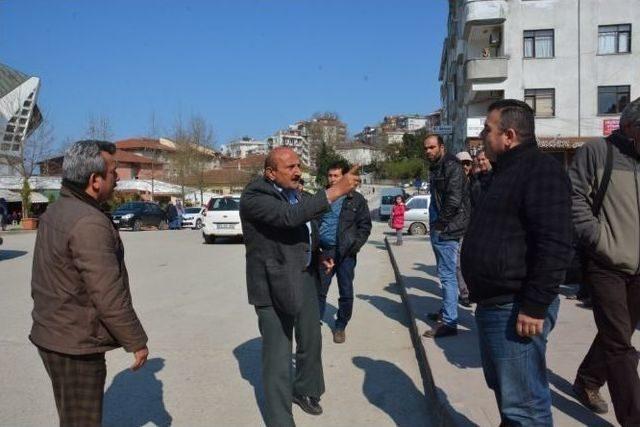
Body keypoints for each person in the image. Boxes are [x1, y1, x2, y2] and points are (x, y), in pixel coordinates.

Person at [461, 100, 573, 426]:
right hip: (495, 304)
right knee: (507, 395)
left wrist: (535, 305)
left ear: (508, 135)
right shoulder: (504, 173)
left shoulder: (541, 170)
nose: (482, 136)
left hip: (516, 308)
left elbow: (555, 243)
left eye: (487, 130)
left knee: (525, 406)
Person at [30, 140, 149, 427]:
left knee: (72, 418)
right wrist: (137, 341)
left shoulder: (58, 209)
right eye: (113, 171)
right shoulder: (88, 222)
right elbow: (108, 293)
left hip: (53, 333)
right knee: (82, 422)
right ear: (95, 181)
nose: (118, 178)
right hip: (74, 343)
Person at [239, 147, 360, 427]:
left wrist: (320, 255)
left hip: (305, 276)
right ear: (270, 173)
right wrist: (335, 191)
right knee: (279, 358)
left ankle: (306, 390)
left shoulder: (298, 194)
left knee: (311, 339)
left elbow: (306, 230)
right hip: (272, 284)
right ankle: (281, 421)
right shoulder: (255, 196)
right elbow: (287, 218)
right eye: (290, 167)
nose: (298, 171)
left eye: (298, 165)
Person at [569, 97, 640, 425]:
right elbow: (574, 198)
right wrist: (598, 240)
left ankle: (587, 381)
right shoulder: (597, 152)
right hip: (605, 264)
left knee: (618, 334)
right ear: (629, 127)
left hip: (638, 268)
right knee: (621, 347)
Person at [317, 160, 372, 344]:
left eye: (336, 176)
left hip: (346, 255)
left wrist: (353, 247)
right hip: (325, 252)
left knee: (346, 291)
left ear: (344, 177)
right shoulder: (322, 197)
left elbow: (365, 226)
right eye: (330, 175)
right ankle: (314, 324)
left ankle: (340, 326)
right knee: (319, 291)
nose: (332, 179)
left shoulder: (356, 199)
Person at [422, 134, 470, 338]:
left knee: (448, 275)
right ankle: (446, 311)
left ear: (442, 147)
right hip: (439, 227)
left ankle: (450, 322)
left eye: (432, 147)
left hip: (448, 228)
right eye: (426, 148)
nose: (428, 151)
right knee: (444, 273)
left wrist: (440, 225)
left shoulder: (452, 166)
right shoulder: (437, 166)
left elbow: (454, 200)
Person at [455, 151, 474, 308]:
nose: (465, 166)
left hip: (475, 229)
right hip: (459, 229)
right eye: (462, 163)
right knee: (458, 264)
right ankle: (465, 293)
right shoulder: (453, 183)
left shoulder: (475, 181)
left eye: (468, 163)